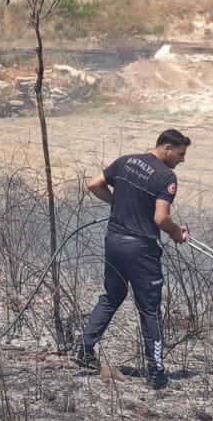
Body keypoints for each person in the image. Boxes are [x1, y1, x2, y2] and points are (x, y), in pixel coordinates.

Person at [74, 129, 191, 390]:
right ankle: (156, 370)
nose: (182, 160)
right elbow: (161, 219)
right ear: (167, 148)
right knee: (150, 309)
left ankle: (83, 347)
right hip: (141, 250)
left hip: (114, 241)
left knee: (112, 296)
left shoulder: (125, 160)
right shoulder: (166, 177)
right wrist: (177, 232)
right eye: (180, 154)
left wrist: (117, 204)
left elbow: (94, 184)